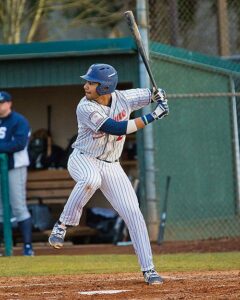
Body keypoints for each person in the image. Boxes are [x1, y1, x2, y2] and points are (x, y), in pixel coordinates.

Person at [48, 63, 169, 284]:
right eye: (88, 81)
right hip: (83, 158)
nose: (86, 86)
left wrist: (158, 94)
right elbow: (116, 128)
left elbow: (151, 93)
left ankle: (149, 269)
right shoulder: (84, 107)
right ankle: (62, 225)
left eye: (92, 83)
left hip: (112, 165)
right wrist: (154, 116)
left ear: (105, 87)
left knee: (134, 214)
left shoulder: (124, 98)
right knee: (90, 180)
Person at [0, 91, 34, 256]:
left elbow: (19, 144)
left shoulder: (19, 120)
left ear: (9, 103)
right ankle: (4, 246)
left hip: (16, 167)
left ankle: (27, 247)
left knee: (19, 206)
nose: (0, 106)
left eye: (2, 102)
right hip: (1, 167)